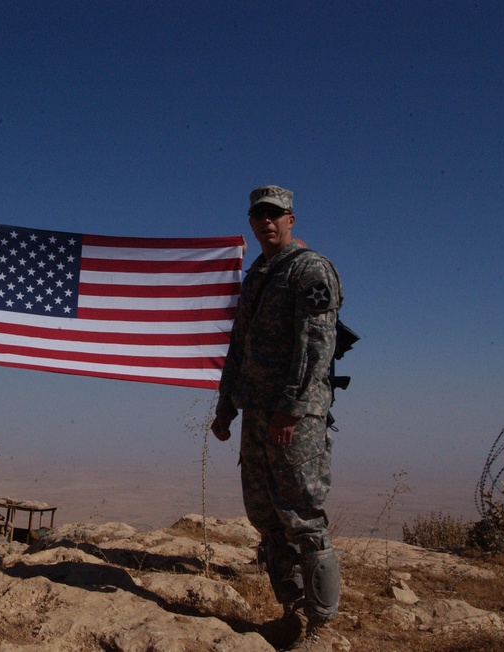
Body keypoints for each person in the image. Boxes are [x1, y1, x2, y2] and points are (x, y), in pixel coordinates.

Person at [212, 185, 344, 651]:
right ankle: (292, 611)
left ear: (291, 218)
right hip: (256, 410)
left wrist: (290, 408)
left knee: (302, 516)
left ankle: (323, 626)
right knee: (266, 516)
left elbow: (315, 347)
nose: (266, 222)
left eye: (275, 214)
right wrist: (226, 403)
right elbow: (239, 345)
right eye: (258, 215)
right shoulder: (258, 275)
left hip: (294, 416)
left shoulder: (309, 270)